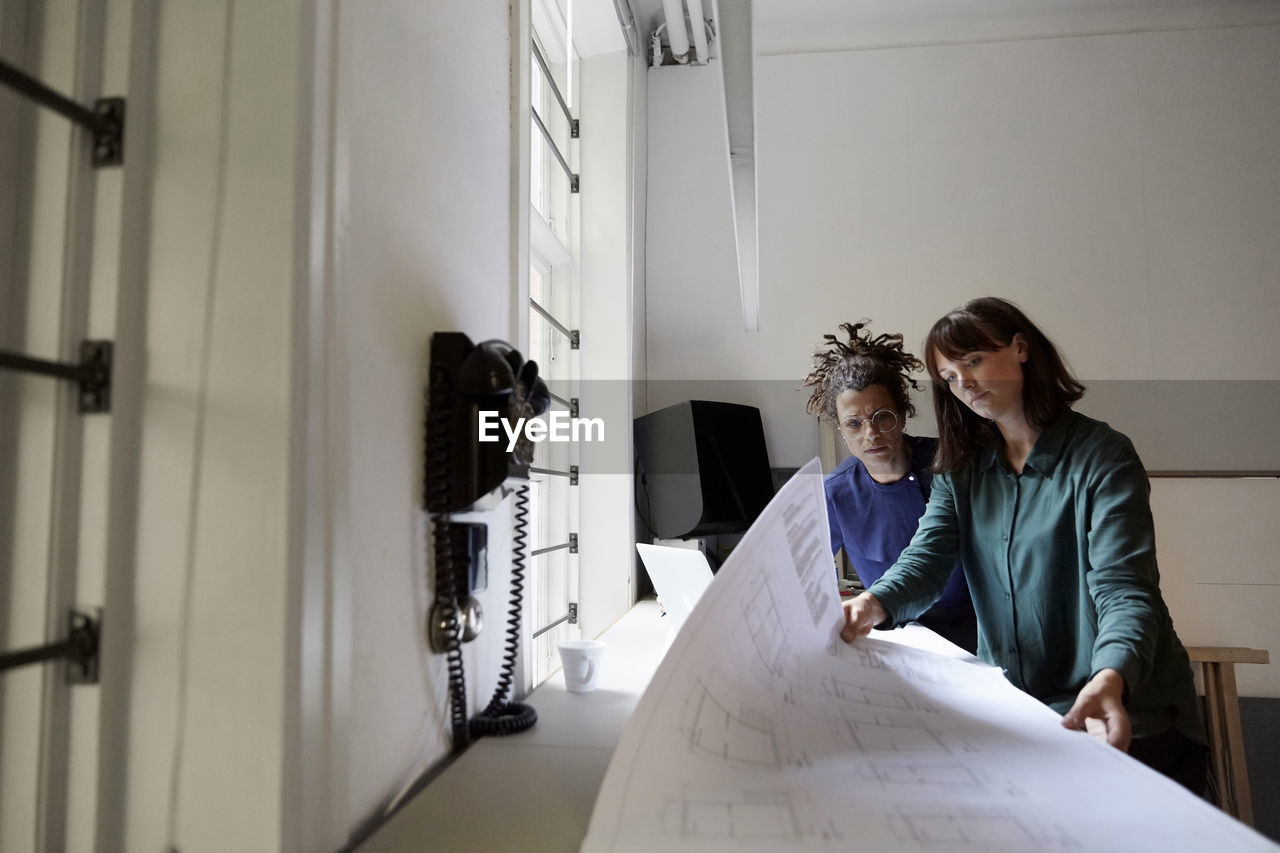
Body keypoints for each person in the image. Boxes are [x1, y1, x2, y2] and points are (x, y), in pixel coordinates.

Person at [840, 297, 1207, 793]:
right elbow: (926, 559)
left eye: (973, 361)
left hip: (1121, 706)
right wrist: (871, 602)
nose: (964, 384)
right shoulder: (963, 464)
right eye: (949, 376)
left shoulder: (1101, 456)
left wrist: (1110, 675)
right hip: (1021, 708)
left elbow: (1124, 589)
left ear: (1020, 349)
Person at [804, 321, 978, 654]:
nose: (870, 433)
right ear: (841, 430)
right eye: (854, 423)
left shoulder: (950, 464)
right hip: (895, 638)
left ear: (902, 413)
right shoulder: (835, 493)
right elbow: (804, 574)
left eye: (882, 416)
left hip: (972, 633)